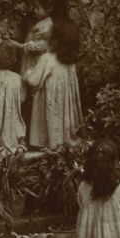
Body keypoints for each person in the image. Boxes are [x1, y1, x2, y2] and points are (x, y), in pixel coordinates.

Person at [24, 18, 83, 148]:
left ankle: (49, 141)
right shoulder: (70, 63)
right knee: (61, 119)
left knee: (50, 118)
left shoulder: (47, 59)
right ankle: (63, 140)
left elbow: (33, 80)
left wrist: (28, 72)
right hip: (64, 101)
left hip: (49, 101)